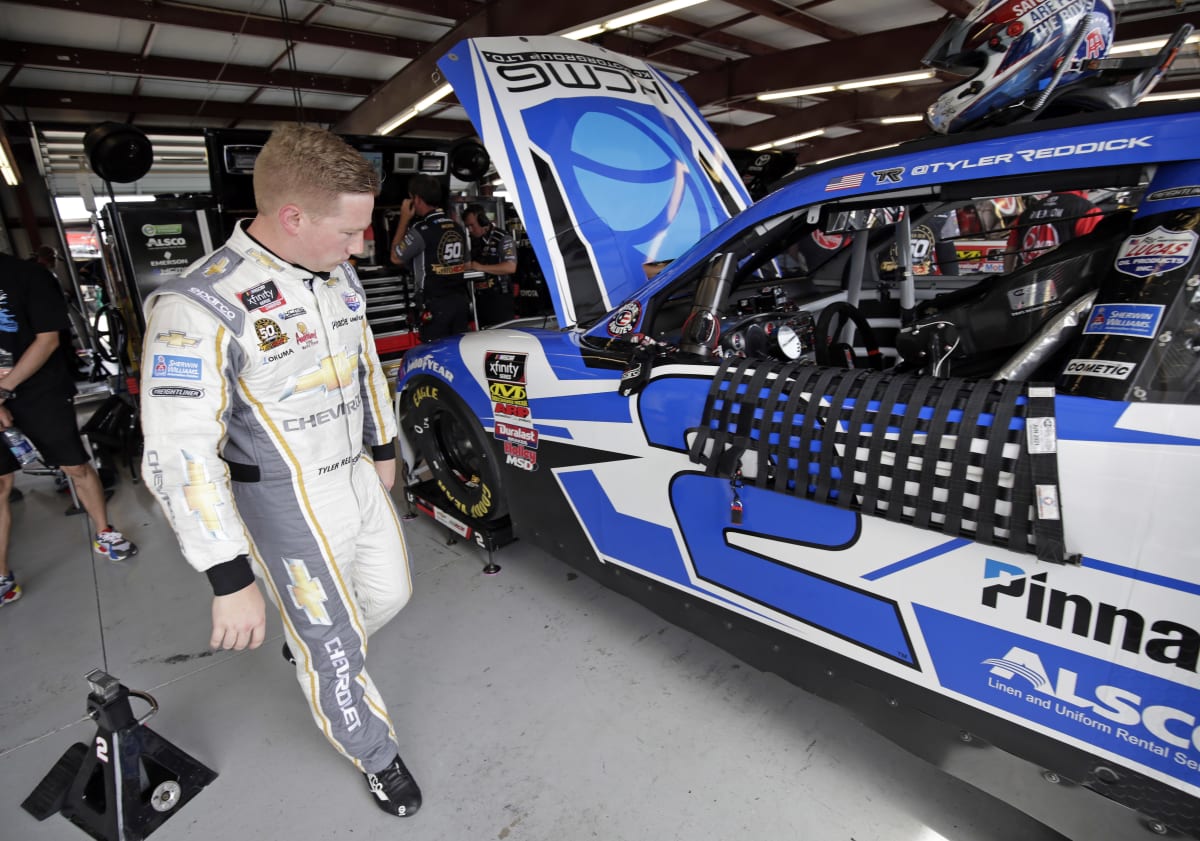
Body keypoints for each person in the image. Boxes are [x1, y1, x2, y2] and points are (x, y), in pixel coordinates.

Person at [138, 124, 421, 818]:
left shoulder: (337, 272)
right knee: (333, 645)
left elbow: (364, 365)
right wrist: (229, 577)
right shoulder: (195, 307)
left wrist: (383, 448)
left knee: (390, 594)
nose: (361, 247)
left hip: (354, 472)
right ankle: (376, 754)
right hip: (284, 499)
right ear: (292, 216)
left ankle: (315, 650)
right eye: (351, 231)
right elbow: (179, 454)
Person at [0, 251, 137, 608]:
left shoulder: (28, 276)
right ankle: (2, 576)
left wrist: (4, 389)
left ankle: (105, 531)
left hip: (38, 390)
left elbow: (47, 340)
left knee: (74, 465)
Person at [389, 174, 469, 341]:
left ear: (417, 199)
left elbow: (396, 257)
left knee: (434, 354)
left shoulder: (422, 228)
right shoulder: (457, 227)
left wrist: (404, 219)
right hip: (460, 302)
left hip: (435, 305)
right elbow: (466, 262)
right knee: (458, 352)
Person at [1004, 191, 1104, 271]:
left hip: (1025, 280)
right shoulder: (1087, 210)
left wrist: (1007, 277)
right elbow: (1094, 251)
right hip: (1063, 282)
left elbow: (1010, 250)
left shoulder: (1027, 212)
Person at [463, 204, 517, 327]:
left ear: (482, 220)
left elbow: (510, 267)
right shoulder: (475, 242)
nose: (470, 230)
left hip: (499, 299)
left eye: (472, 225)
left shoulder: (502, 237)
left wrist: (480, 267)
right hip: (481, 299)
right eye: (467, 227)